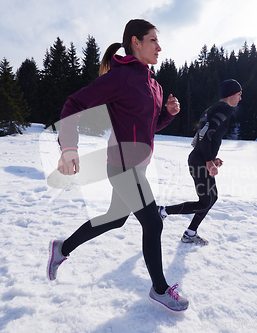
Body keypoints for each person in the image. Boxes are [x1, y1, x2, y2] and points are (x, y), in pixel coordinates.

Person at [46, 19, 189, 312]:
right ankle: (159, 289)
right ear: (135, 42)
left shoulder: (155, 85)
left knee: (115, 218)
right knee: (153, 222)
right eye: (153, 40)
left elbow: (150, 126)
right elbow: (73, 105)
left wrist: (169, 114)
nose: (159, 47)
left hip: (138, 166)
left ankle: (62, 248)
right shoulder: (121, 77)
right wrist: (69, 148)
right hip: (123, 166)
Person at [159, 79, 242, 245]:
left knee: (212, 198)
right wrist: (209, 161)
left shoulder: (210, 109)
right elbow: (206, 134)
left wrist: (211, 157)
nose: (240, 98)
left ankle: (190, 232)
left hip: (199, 158)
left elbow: (202, 136)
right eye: (239, 94)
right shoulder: (225, 109)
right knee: (205, 202)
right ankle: (162, 211)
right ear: (231, 94)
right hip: (200, 161)